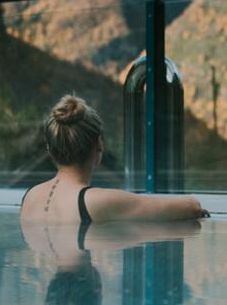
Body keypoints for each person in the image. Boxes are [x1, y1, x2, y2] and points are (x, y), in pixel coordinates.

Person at [21, 94, 208, 227]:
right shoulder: (95, 202)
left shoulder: (29, 198)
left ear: (50, 151)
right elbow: (191, 208)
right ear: (99, 146)